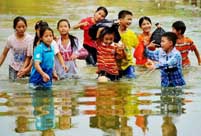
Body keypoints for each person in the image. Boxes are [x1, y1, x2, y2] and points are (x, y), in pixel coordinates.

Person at [0, 16, 33, 81]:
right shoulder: (10, 39)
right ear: (15, 27)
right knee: (14, 86)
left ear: (26, 27)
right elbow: (4, 54)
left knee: (25, 87)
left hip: (26, 67)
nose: (21, 29)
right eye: (19, 27)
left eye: (23, 26)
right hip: (13, 67)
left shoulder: (30, 39)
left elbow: (29, 57)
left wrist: (22, 69)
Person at [117, 10, 138, 78]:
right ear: (120, 19)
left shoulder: (132, 34)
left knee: (131, 79)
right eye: (128, 19)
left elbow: (138, 48)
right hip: (115, 63)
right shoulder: (113, 32)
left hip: (128, 63)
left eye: (131, 20)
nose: (130, 22)